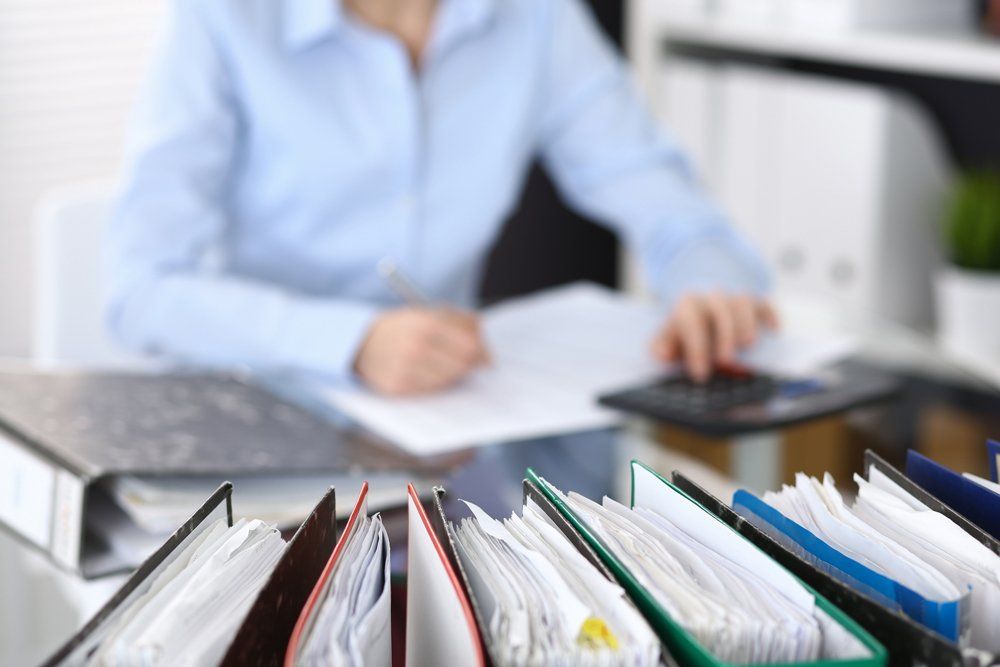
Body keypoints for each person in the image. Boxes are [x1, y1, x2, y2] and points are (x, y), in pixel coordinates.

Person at [108, 0, 775, 398]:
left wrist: (708, 283)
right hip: (264, 420)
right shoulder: (223, 18)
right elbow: (140, 290)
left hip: (448, 427)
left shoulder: (534, 18)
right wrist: (351, 343)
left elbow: (666, 200)